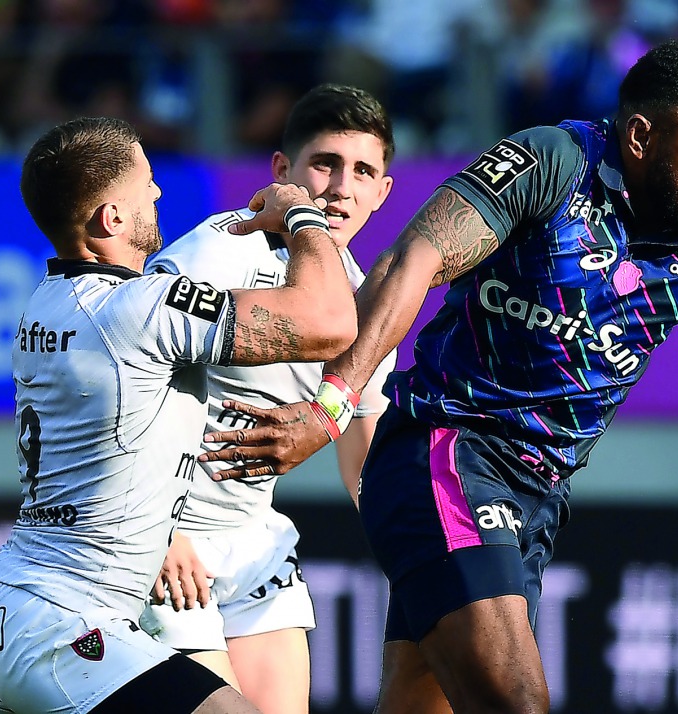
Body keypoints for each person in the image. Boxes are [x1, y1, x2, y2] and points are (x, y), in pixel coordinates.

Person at [197, 39, 678, 714]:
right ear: (640, 137)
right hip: (448, 455)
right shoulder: (550, 163)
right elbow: (415, 258)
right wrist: (331, 404)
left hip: (537, 499)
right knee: (517, 704)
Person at [0, 116, 359, 714]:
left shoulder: (45, 301)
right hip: (66, 623)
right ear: (111, 219)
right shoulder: (140, 311)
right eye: (147, 184)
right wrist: (299, 215)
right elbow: (331, 323)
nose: (159, 194)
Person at [139, 84, 398, 713]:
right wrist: (154, 530)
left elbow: (366, 463)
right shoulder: (220, 250)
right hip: (167, 541)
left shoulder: (368, 306)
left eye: (362, 171)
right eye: (324, 164)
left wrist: (420, 553)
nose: (342, 187)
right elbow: (130, 380)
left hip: (255, 544)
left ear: (382, 192)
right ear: (282, 172)